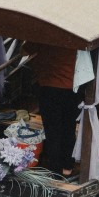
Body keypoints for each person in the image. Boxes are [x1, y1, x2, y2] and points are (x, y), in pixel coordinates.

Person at [24, 41, 80, 177]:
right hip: (72, 90)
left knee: (53, 131)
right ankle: (67, 166)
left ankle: (55, 169)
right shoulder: (76, 38)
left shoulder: (46, 36)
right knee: (68, 128)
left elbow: (24, 51)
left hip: (49, 89)